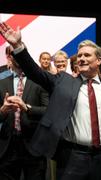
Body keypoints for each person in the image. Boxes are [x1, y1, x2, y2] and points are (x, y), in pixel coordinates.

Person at [0, 23, 101, 180]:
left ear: (99, 60)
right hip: (72, 157)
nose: (81, 59)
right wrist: (18, 46)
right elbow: (36, 73)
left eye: (87, 55)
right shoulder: (63, 81)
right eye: (79, 55)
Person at [0, 45, 49, 180]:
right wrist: (2, 110)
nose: (17, 56)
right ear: (9, 57)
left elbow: (48, 111)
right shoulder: (1, 83)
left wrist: (27, 107)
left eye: (20, 52)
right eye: (13, 54)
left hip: (34, 145)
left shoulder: (41, 81)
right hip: (7, 147)